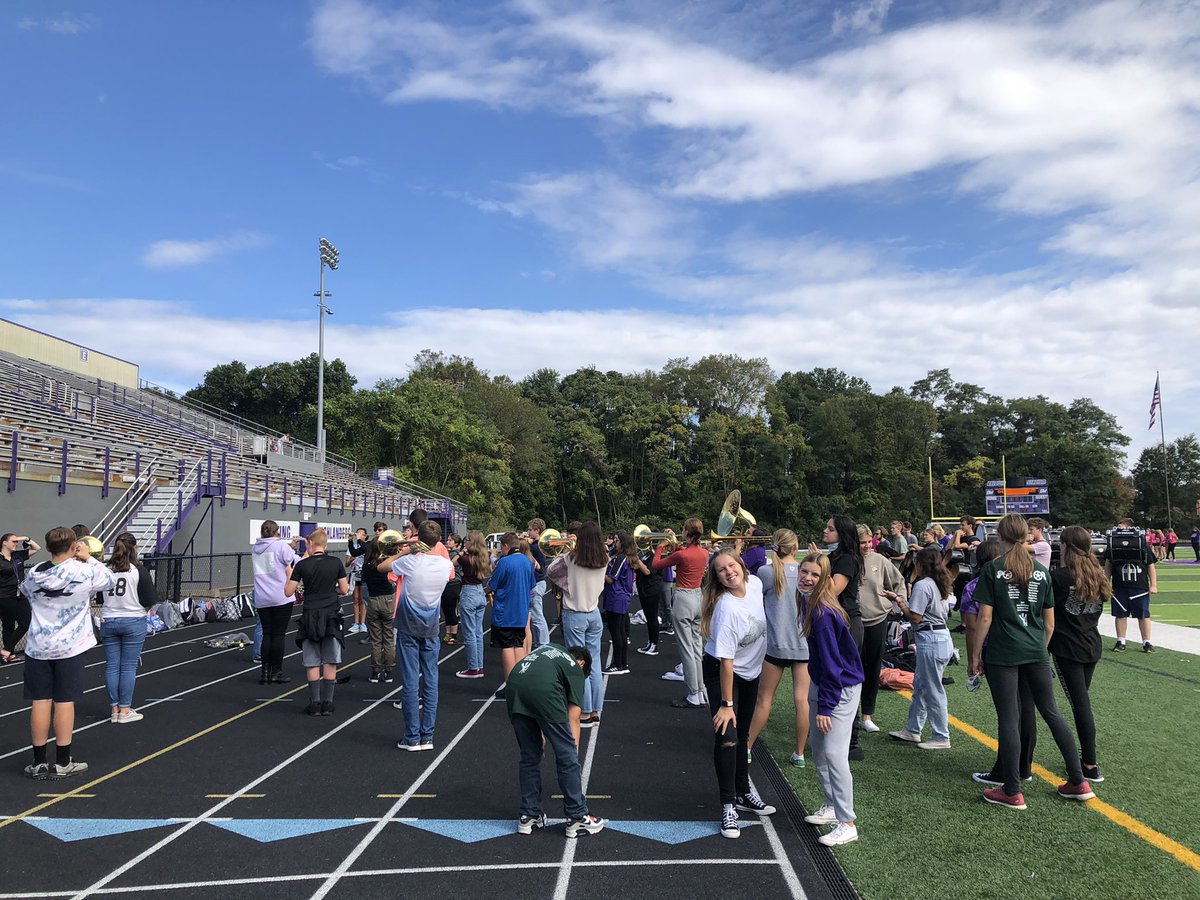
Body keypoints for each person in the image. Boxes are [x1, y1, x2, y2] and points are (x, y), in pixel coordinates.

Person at [968, 513, 1094, 810]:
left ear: (1001, 537)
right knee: (1052, 713)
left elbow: (985, 617)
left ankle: (1011, 789)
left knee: (1009, 717)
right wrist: (1038, 649)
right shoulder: (1041, 570)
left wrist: (975, 655)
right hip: (1036, 651)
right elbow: (1049, 623)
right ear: (1026, 536)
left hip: (1004, 652)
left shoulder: (992, 569)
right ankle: (1078, 779)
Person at [20, 527, 115, 780]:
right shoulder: (83, 572)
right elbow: (109, 579)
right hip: (70, 647)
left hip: (38, 645)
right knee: (64, 702)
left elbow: (26, 591)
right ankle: (62, 762)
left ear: (49, 547)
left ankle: (39, 762)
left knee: (40, 701)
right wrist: (89, 557)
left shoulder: (35, 572)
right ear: (74, 547)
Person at [700, 548, 774, 839]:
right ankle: (728, 805)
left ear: (742, 565)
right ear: (717, 577)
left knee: (743, 736)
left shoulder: (755, 584)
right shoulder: (727, 608)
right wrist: (726, 704)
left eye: (732, 565)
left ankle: (743, 792)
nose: (729, 572)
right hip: (723, 672)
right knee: (728, 739)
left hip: (750, 672)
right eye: (721, 570)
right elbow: (726, 662)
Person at [797, 552, 864, 847]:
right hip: (825, 681)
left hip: (840, 687)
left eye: (814, 574)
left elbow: (834, 665)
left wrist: (826, 704)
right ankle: (832, 807)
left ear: (825, 579)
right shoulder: (807, 601)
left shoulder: (823, 613)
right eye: (804, 571)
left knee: (835, 754)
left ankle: (847, 822)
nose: (807, 578)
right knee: (819, 750)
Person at [506, 642, 606, 837]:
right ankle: (577, 815)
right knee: (566, 752)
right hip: (541, 689)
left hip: (514, 684)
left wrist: (542, 734)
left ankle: (529, 814)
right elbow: (574, 718)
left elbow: (536, 694)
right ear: (582, 662)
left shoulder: (549, 651)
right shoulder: (575, 669)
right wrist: (571, 755)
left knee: (529, 754)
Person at [379, 521, 453, 750]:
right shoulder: (445, 564)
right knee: (431, 680)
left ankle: (411, 737)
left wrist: (406, 549)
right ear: (438, 540)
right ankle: (427, 736)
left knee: (410, 681)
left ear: (418, 537)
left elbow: (382, 567)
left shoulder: (409, 561)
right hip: (431, 626)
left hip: (408, 627)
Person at [1049, 525, 1108, 784]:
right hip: (1090, 644)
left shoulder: (1060, 577)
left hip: (1068, 648)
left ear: (1065, 546)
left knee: (1080, 706)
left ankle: (1090, 764)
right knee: (1082, 704)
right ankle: (1088, 760)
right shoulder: (1098, 574)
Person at [747, 529, 810, 769]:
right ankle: (799, 753)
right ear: (795, 547)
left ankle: (748, 746)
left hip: (775, 645)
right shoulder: (808, 572)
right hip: (803, 646)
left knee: (764, 700)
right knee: (801, 701)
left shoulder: (766, 572)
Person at [888, 547, 956, 749]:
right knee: (921, 685)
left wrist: (899, 602)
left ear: (921, 564)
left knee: (932, 689)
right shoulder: (940, 582)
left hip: (931, 639)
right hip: (940, 637)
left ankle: (941, 735)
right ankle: (913, 729)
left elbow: (915, 616)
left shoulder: (922, 585)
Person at [814, 514, 865, 760]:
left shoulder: (845, 559)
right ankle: (837, 731)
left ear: (841, 534)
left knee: (844, 677)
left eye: (830, 529)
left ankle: (851, 741)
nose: (825, 531)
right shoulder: (836, 556)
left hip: (846, 622)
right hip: (838, 620)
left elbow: (833, 590)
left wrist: (818, 568)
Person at [286, 529, 349, 716]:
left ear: (310, 544)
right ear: (326, 545)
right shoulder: (336, 562)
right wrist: (331, 591)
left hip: (310, 614)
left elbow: (288, 592)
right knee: (330, 659)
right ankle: (328, 703)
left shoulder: (302, 565)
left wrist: (290, 572)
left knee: (312, 660)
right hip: (331, 613)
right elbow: (344, 589)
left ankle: (315, 703)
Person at [553, 522, 608, 726]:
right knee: (594, 663)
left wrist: (565, 549)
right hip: (594, 614)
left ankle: (583, 711)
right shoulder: (605, 559)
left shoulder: (570, 558)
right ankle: (595, 709)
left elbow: (551, 571)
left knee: (578, 665)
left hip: (575, 614)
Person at [651, 518, 709, 709]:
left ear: (687, 533)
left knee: (686, 650)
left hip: (684, 598)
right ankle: (701, 691)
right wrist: (675, 544)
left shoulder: (683, 555)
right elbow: (682, 555)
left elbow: (656, 564)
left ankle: (692, 694)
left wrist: (660, 546)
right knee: (696, 649)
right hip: (698, 597)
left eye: (682, 530)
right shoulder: (704, 553)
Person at [855, 524, 906, 735]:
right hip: (853, 622)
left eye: (869, 542)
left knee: (873, 667)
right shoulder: (846, 560)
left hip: (877, 620)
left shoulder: (880, 560)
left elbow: (898, 581)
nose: (867, 546)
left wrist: (898, 602)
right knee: (851, 668)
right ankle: (850, 714)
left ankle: (867, 715)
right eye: (862, 543)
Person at [101, 533, 157, 724]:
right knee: (128, 667)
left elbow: (101, 598)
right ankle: (125, 709)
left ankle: (114, 708)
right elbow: (150, 598)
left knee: (112, 666)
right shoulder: (138, 570)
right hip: (133, 619)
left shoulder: (107, 569)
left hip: (109, 619)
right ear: (134, 547)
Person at [252, 521, 301, 685]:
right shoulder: (280, 546)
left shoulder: (255, 548)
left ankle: (264, 672)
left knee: (267, 634)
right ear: (277, 532)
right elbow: (294, 560)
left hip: (262, 596)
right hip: (280, 596)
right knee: (279, 635)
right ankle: (276, 672)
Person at [488, 532, 537, 681]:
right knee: (519, 645)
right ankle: (521, 680)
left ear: (505, 546)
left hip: (505, 612)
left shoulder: (505, 562)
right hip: (521, 611)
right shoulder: (527, 561)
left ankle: (510, 683)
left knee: (507, 647)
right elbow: (532, 584)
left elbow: (493, 584)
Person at [1103, 518, 1157, 653]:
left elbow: (1150, 565)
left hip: (1139, 585)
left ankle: (1147, 642)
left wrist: (1153, 584)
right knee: (1120, 614)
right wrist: (1106, 584)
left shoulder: (1142, 545)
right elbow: (1108, 566)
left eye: (1123, 527)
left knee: (1143, 614)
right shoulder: (1113, 545)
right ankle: (1121, 641)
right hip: (1119, 585)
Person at [455, 531, 492, 679]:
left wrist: (461, 551)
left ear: (473, 542)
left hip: (469, 593)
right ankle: (479, 666)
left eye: (467, 540)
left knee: (469, 633)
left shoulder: (465, 558)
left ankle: (473, 668)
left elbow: (453, 562)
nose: (465, 542)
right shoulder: (484, 558)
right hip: (480, 592)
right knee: (478, 633)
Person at [601, 532, 637, 676]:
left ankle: (618, 664)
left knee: (617, 632)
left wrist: (597, 572)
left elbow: (611, 578)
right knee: (620, 632)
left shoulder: (621, 558)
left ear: (623, 543)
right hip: (620, 596)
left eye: (617, 541)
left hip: (616, 597)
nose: (615, 543)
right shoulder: (626, 558)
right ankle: (622, 663)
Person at [1, 532, 39, 664]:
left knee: (25, 623)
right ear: (4, 542)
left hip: (20, 594)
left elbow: (36, 548)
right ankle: (9, 655)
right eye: (13, 541)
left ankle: (6, 649)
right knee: (8, 626)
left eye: (17, 542)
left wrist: (26, 539)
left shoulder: (18, 555)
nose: (16, 544)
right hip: (5, 596)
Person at [634, 537, 665, 656]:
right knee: (648, 618)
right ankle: (650, 642)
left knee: (652, 618)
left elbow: (647, 571)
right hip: (644, 589)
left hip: (652, 590)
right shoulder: (645, 555)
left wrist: (637, 559)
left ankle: (654, 644)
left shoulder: (657, 556)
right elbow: (638, 568)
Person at [346, 527, 370, 635]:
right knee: (356, 599)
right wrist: (350, 540)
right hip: (355, 573)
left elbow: (367, 552)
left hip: (364, 574)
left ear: (365, 536)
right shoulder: (356, 546)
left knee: (363, 599)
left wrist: (360, 539)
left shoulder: (368, 545)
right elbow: (351, 556)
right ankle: (356, 623)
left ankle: (363, 623)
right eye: (358, 533)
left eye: (361, 534)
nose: (358, 535)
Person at [440, 532, 462, 646]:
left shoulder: (456, 554)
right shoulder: (448, 553)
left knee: (451, 608)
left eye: (450, 540)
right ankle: (448, 632)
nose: (448, 542)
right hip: (446, 583)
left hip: (454, 583)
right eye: (447, 540)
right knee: (446, 608)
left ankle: (453, 635)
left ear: (457, 543)